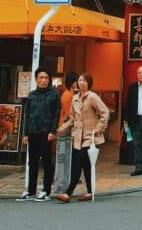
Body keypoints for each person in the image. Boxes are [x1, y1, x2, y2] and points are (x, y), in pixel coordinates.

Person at [55, 72, 109, 203]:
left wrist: (99, 128)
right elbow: (72, 118)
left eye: (85, 80)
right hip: (78, 137)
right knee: (86, 165)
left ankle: (68, 192)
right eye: (80, 80)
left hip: (90, 136)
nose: (82, 82)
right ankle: (90, 192)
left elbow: (105, 112)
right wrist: (62, 128)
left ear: (89, 83)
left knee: (77, 164)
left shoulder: (92, 97)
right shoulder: (75, 98)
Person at [19, 67, 61, 201]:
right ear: (36, 80)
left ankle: (46, 191)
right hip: (33, 132)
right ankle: (31, 190)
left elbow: (57, 114)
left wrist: (53, 131)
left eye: (46, 78)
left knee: (47, 162)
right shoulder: (32, 95)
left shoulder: (54, 94)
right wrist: (25, 133)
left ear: (49, 79)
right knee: (32, 162)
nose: (43, 80)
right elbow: (27, 114)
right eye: (40, 78)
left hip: (46, 133)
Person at [50, 73, 78, 196]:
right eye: (77, 81)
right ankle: (60, 183)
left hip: (64, 127)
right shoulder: (68, 95)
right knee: (62, 156)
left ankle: (62, 181)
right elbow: (68, 114)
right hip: (65, 128)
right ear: (73, 83)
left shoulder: (69, 94)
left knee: (63, 155)